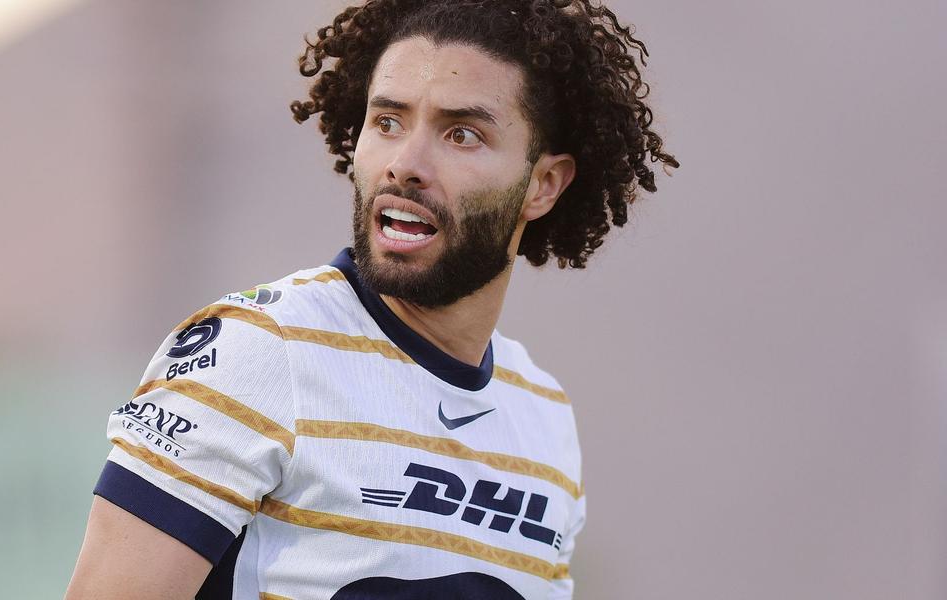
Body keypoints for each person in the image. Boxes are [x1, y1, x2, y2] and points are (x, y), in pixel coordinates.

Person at [64, 0, 677, 598]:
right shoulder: (257, 352)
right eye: (387, 122)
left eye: (461, 134)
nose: (405, 164)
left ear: (543, 184)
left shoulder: (542, 415)